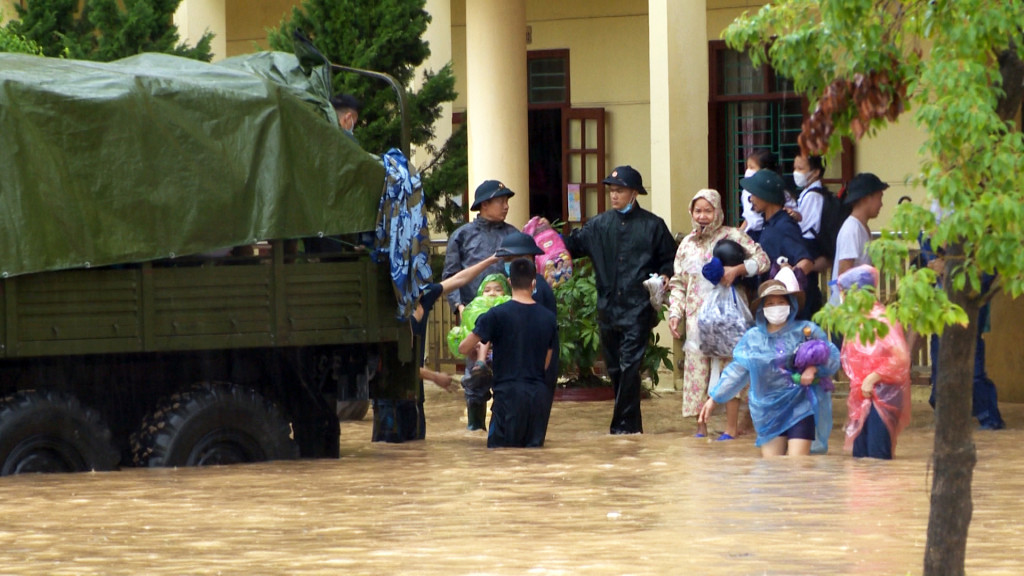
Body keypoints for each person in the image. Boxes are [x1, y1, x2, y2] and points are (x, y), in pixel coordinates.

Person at [564, 165, 676, 434]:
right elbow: (572, 245)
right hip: (607, 308)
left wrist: (664, 276)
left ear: (634, 193)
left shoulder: (653, 225)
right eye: (612, 191)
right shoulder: (599, 225)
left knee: (630, 365)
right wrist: (545, 238)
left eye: (620, 190)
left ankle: (621, 428)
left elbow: (670, 259)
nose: (614, 195)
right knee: (615, 368)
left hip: (638, 308)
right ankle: (632, 426)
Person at [698, 266, 840, 457]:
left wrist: (813, 368)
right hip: (768, 412)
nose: (776, 306)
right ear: (762, 309)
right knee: (773, 470)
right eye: (770, 303)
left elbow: (832, 357)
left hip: (801, 407)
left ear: (790, 305)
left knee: (798, 468)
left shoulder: (806, 331)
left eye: (780, 302)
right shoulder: (753, 339)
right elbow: (736, 371)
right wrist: (714, 399)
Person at [668, 189, 769, 440]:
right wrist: (675, 313)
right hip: (696, 318)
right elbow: (679, 283)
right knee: (696, 373)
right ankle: (700, 429)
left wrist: (738, 269)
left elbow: (763, 260)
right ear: (691, 213)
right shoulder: (687, 244)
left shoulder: (733, 236)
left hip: (728, 317)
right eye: (698, 211)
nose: (703, 216)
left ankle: (731, 429)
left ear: (718, 211)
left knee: (730, 369)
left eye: (708, 210)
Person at [458, 258, 558, 448]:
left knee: (502, 460)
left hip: (507, 397)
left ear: (509, 282)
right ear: (533, 283)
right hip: (538, 399)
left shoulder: (495, 315)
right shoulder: (549, 318)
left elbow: (463, 347)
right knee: (534, 461)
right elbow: (546, 363)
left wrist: (479, 353)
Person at [836, 265, 912, 459]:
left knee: (878, 456)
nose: (842, 298)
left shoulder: (882, 319)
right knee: (861, 458)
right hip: (863, 395)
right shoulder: (857, 321)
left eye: (844, 292)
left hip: (884, 394)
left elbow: (900, 358)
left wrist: (872, 378)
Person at [740, 170, 816, 314]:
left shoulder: (784, 226)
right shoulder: (767, 224)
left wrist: (784, 285)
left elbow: (806, 262)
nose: (751, 199)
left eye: (754, 194)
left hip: (788, 312)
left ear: (766, 196)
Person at [443, 180, 518, 321]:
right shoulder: (462, 235)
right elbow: (450, 276)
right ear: (484, 204)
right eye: (501, 201)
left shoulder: (514, 235)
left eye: (507, 201)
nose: (506, 206)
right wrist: (459, 306)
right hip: (472, 312)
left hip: (507, 313)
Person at [445, 273, 511, 430]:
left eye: (498, 289)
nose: (492, 293)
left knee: (504, 395)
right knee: (475, 392)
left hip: (502, 360)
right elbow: (463, 340)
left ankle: (500, 429)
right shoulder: (474, 310)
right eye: (487, 290)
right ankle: (475, 427)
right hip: (476, 360)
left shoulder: (509, 308)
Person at [829, 173, 888, 305]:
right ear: (867, 198)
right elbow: (844, 275)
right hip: (849, 309)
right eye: (879, 198)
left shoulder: (862, 227)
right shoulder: (852, 229)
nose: (881, 204)